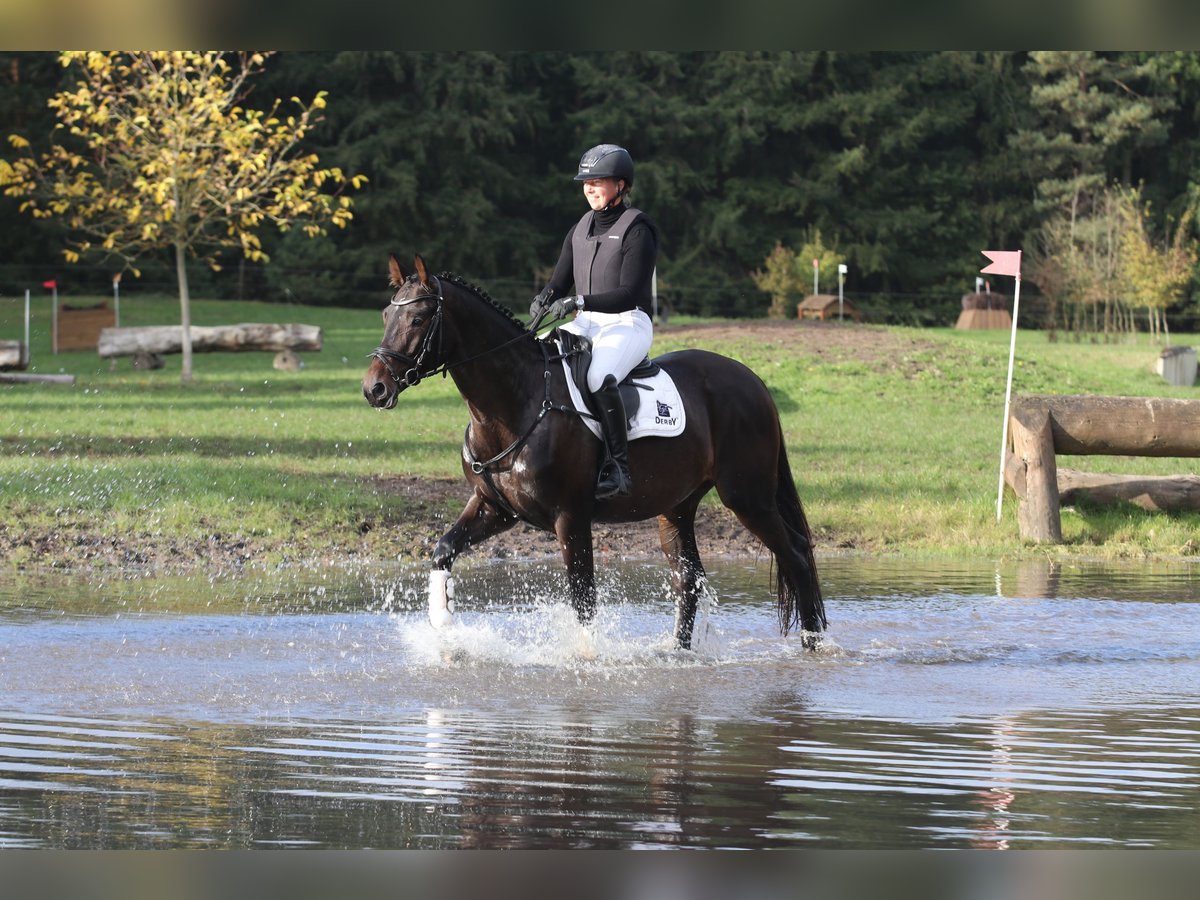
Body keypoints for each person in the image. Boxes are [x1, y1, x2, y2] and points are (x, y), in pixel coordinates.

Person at [530, 143, 659, 499]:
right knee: (542, 359)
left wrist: (578, 300)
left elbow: (629, 293)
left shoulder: (638, 229)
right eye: (586, 182)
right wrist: (545, 298)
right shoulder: (580, 227)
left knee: (599, 377)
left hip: (627, 323)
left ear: (620, 185)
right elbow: (560, 281)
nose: (589, 188)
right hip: (586, 322)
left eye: (598, 181)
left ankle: (619, 468)